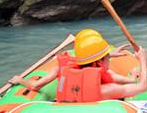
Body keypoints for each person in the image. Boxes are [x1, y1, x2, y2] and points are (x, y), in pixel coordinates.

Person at [8, 29, 137, 95]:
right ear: (101, 59)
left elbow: (35, 86)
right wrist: (135, 71)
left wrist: (20, 80)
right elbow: (132, 82)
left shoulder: (60, 68)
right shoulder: (106, 74)